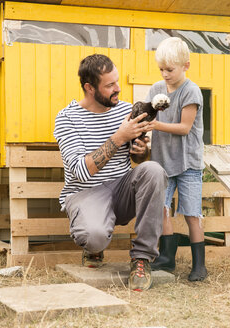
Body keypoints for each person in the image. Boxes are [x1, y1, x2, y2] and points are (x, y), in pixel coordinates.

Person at [53, 54, 168, 291]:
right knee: (94, 237)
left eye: (117, 82)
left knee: (153, 170)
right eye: (109, 85)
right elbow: (80, 173)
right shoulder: (67, 119)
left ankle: (142, 258)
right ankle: (94, 247)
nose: (118, 89)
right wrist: (119, 137)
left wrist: (140, 149)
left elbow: (138, 158)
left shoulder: (126, 110)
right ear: (89, 87)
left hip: (122, 188)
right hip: (87, 193)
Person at [146, 37, 207, 281]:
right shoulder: (155, 90)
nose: (165, 74)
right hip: (162, 160)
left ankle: (199, 266)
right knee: (162, 209)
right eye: (161, 69)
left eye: (170, 69)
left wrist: (156, 124)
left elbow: (184, 127)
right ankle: (167, 259)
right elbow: (147, 117)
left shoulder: (191, 91)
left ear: (186, 66)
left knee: (192, 213)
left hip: (188, 162)